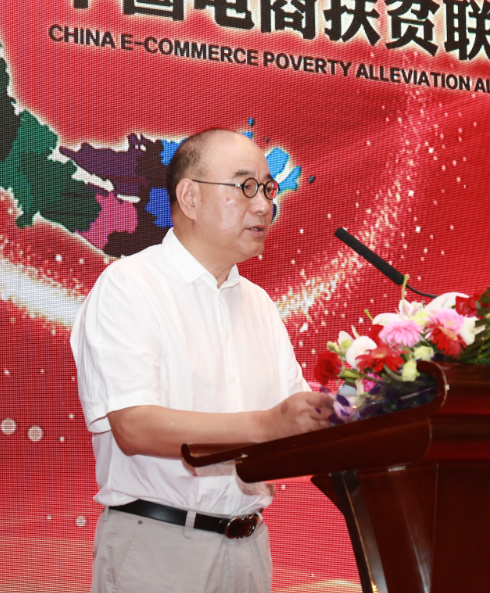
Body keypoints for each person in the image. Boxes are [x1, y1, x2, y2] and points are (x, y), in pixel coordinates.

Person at [70, 128, 333, 593]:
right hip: (160, 551)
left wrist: (362, 407)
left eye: (268, 188)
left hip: (249, 547)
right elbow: (135, 427)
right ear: (189, 197)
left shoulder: (258, 304)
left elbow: (292, 423)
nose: (264, 205)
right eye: (246, 187)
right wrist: (267, 425)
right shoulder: (130, 285)